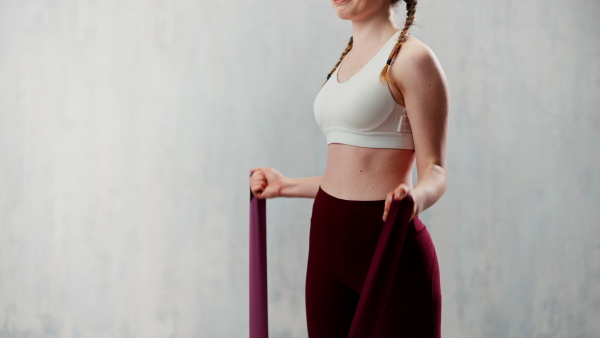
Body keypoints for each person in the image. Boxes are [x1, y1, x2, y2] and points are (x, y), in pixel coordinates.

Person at [250, 0, 448, 336]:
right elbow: (349, 175)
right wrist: (285, 186)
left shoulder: (414, 59)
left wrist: (413, 200)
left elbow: (436, 170)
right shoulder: (346, 59)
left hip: (388, 245)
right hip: (326, 241)